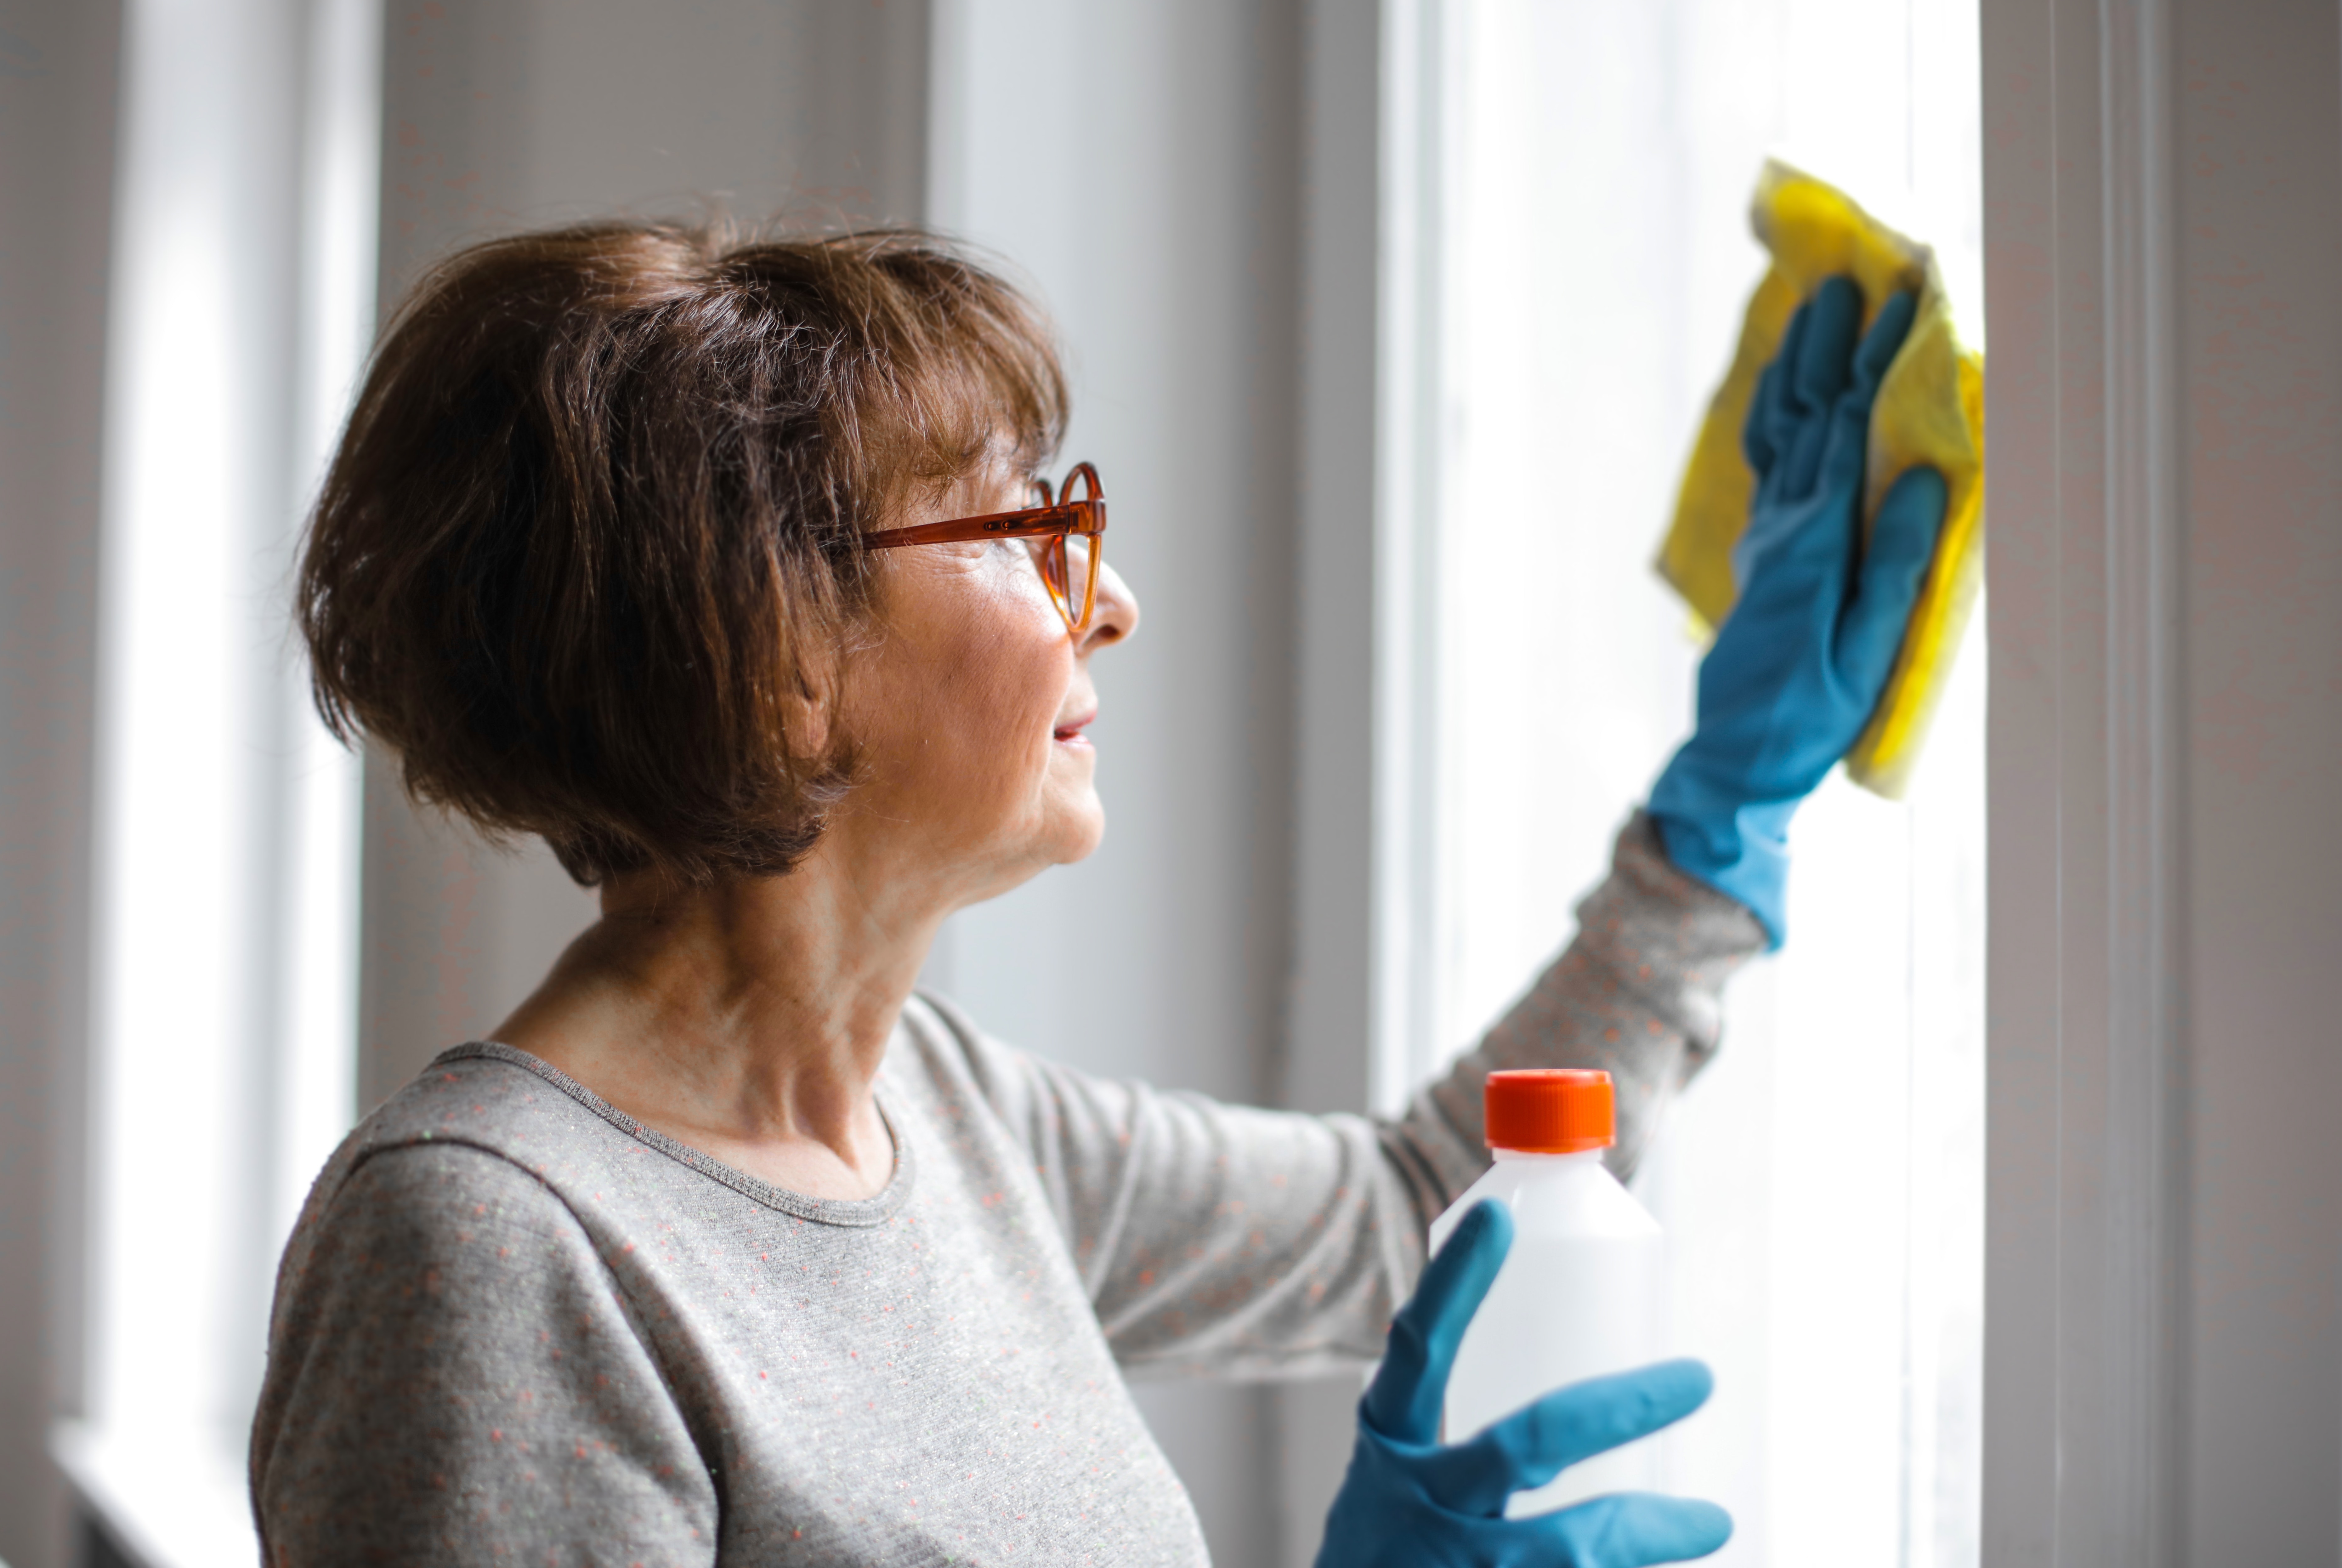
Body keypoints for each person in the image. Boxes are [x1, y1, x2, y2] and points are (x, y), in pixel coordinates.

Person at [253, 222, 1942, 1565]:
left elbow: (1416, 1214)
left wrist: (1722, 815)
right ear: (777, 653)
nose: (1111, 600)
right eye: (1019, 525)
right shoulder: (495, 1250)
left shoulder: (954, 1121)